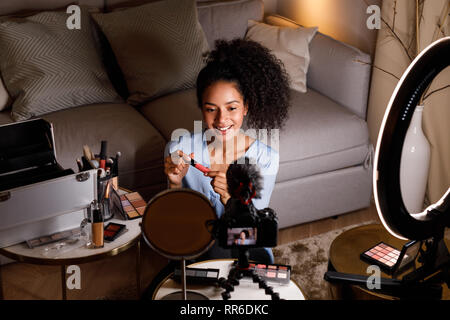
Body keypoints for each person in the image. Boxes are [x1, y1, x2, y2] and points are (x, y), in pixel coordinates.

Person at [163, 39, 290, 264]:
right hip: (196, 245)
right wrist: (174, 183)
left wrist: (231, 200)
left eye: (232, 108)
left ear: (246, 106)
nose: (222, 120)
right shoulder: (180, 150)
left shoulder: (265, 159)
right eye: (211, 109)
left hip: (246, 248)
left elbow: (252, 234)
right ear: (202, 108)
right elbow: (175, 225)